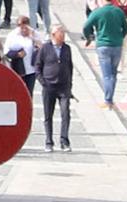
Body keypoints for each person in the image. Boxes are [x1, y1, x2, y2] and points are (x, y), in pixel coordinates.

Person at [83, 0, 127, 109]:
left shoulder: (98, 12)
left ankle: (108, 99)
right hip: (117, 45)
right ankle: (110, 98)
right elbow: (126, 29)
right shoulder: (119, 12)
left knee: (107, 75)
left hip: (103, 45)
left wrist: (89, 36)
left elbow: (86, 26)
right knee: (113, 73)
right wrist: (119, 37)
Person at [34, 25, 74, 153]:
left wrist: (70, 84)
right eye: (60, 35)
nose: (62, 37)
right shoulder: (46, 48)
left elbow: (70, 66)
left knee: (65, 113)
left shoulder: (67, 48)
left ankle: (64, 140)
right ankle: (49, 141)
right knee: (48, 115)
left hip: (63, 86)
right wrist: (42, 81)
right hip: (49, 86)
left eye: (63, 35)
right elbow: (38, 66)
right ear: (53, 35)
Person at [3, 16, 42, 94]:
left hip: (31, 69)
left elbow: (42, 47)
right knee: (18, 92)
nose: (23, 29)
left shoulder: (34, 33)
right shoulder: (13, 35)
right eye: (20, 26)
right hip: (18, 68)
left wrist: (32, 37)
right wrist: (17, 54)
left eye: (25, 26)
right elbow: (6, 52)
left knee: (29, 93)